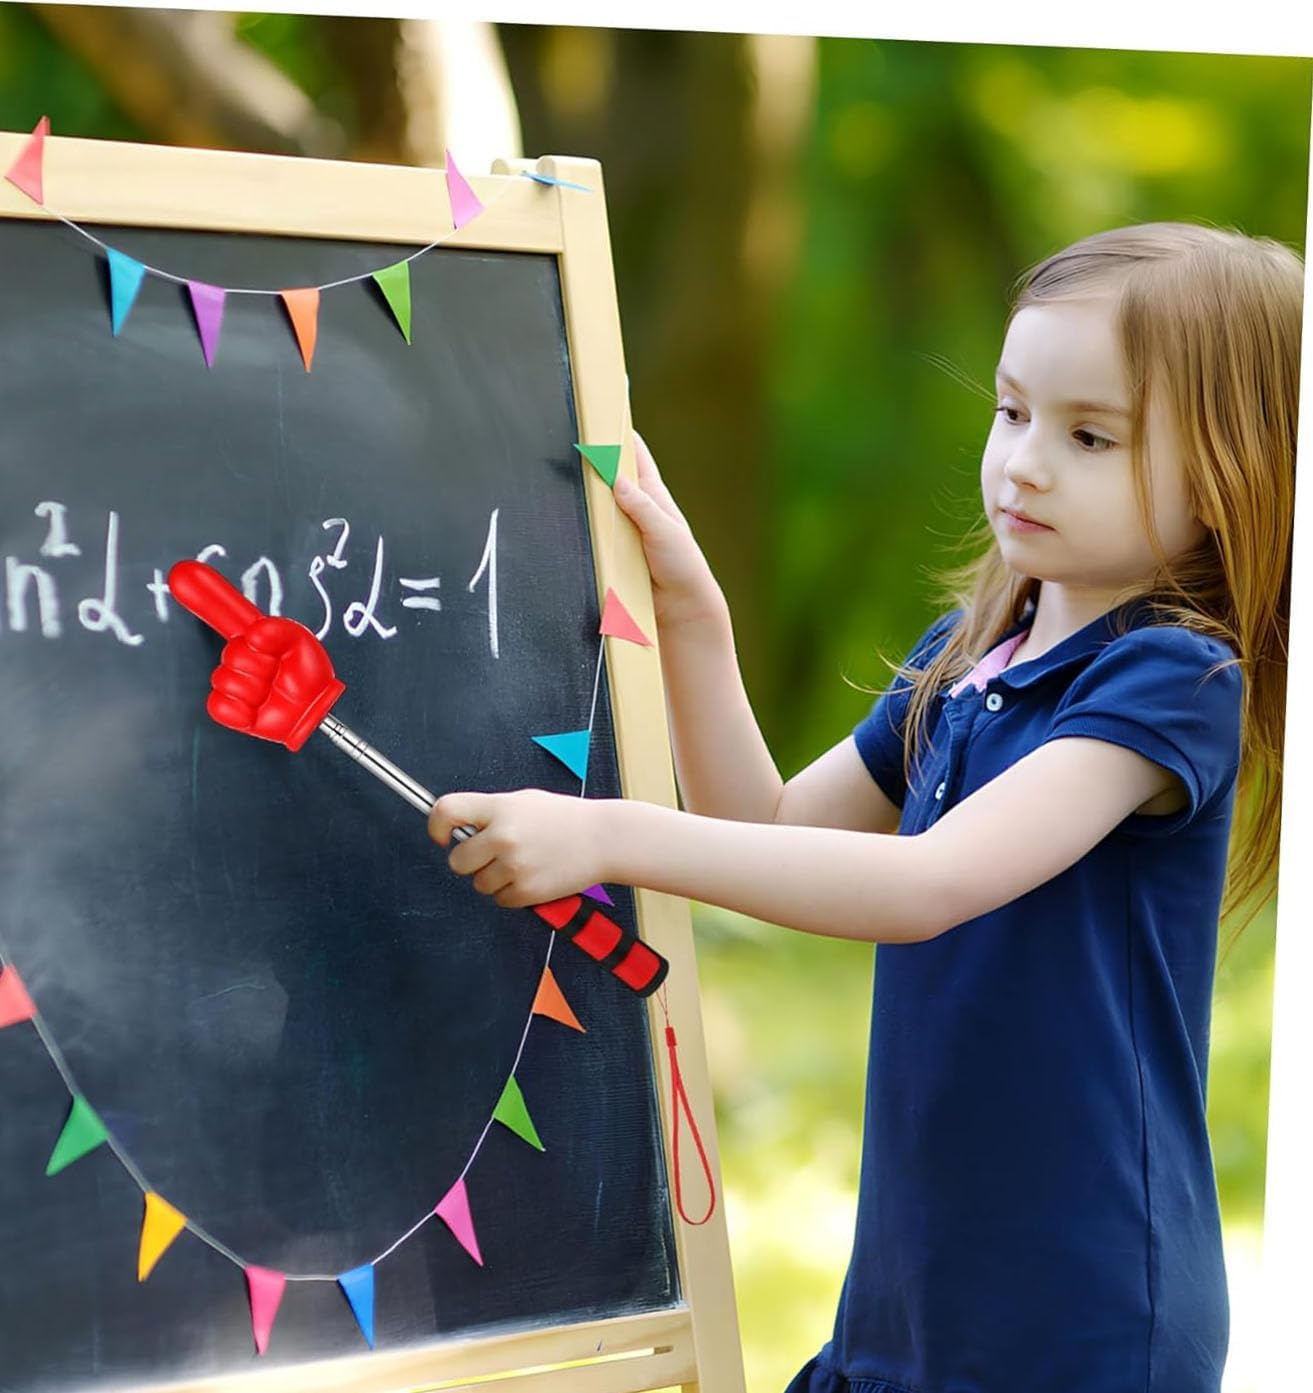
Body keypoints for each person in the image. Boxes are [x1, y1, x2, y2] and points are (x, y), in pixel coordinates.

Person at [427, 222, 1302, 1393]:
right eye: (1009, 412)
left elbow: (922, 885)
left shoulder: (1168, 679)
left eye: (1089, 435)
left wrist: (605, 836)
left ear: (1230, 473)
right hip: (918, 1289)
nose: (1023, 463)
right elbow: (778, 830)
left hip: (1078, 1310)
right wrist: (695, 617)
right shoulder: (973, 651)